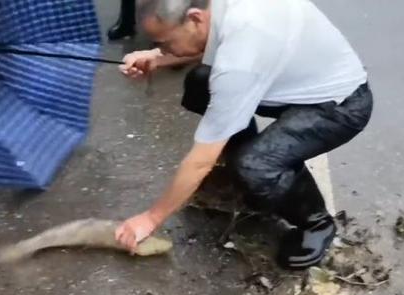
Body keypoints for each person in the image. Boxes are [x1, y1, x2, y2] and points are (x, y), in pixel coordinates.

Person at [115, 0, 373, 270]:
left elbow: (200, 160)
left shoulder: (242, 55)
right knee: (200, 84)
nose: (165, 47)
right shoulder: (223, 12)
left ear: (195, 18)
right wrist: (159, 56)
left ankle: (317, 222)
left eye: (166, 41)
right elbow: (214, 43)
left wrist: (150, 219)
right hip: (294, 78)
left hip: (339, 106)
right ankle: (257, 165)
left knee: (253, 166)